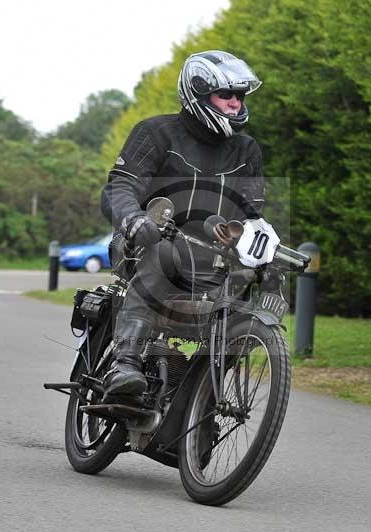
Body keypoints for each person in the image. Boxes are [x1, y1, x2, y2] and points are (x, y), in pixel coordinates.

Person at [99, 50, 265, 401]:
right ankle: (124, 363)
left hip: (209, 260)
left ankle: (198, 395)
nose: (235, 104)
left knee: (250, 282)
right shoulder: (156, 132)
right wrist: (133, 218)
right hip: (143, 242)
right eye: (226, 95)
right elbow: (121, 185)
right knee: (161, 253)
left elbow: (253, 215)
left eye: (239, 96)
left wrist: (262, 244)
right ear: (199, 94)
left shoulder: (246, 150)